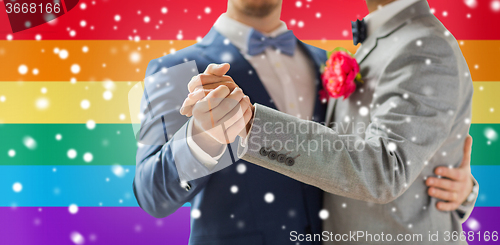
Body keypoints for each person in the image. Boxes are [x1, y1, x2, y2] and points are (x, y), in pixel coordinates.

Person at [136, 0, 476, 244]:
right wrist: (200, 141)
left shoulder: (323, 62)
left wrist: (453, 185)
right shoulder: (173, 71)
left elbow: (369, 155)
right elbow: (152, 194)